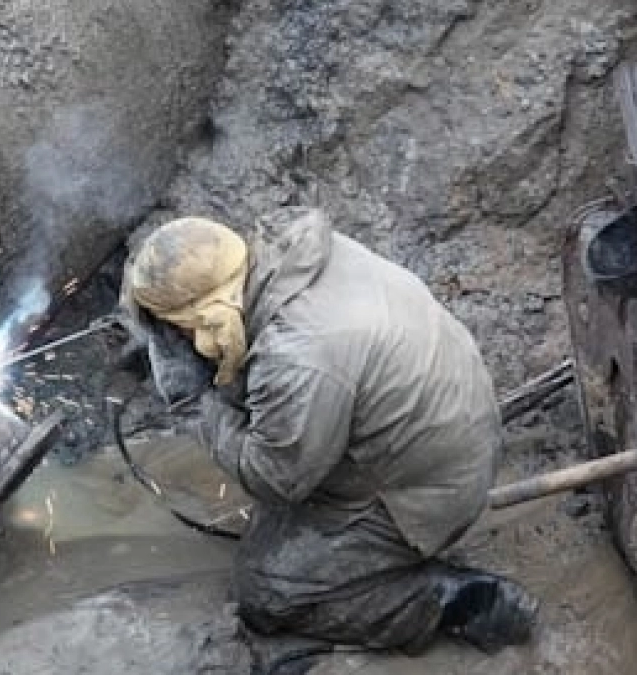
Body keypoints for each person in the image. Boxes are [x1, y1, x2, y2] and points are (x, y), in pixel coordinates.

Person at [120, 207, 539, 655]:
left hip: (425, 494)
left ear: (208, 314)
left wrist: (193, 403)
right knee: (273, 521)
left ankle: (442, 601)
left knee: (264, 592)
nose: (176, 341)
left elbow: (276, 480)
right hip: (442, 431)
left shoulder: (296, 354)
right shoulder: (290, 258)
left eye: (179, 330)